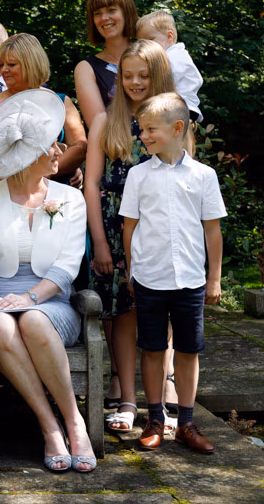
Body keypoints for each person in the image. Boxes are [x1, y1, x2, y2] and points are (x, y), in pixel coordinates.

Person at [0, 88, 95, 473]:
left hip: (51, 303)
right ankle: (49, 425)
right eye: (51, 146)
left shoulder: (70, 198)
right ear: (27, 155)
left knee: (34, 320)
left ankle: (74, 421)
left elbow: (68, 265)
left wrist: (29, 298)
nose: (60, 152)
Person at [122, 93, 226, 455]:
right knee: (152, 349)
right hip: (150, 279)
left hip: (190, 281)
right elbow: (130, 228)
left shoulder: (203, 176)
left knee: (188, 350)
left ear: (177, 127)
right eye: (141, 129)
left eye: (151, 129)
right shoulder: (138, 175)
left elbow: (212, 230)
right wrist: (132, 273)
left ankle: (186, 423)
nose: (143, 136)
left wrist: (214, 278)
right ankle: (154, 419)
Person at [85, 40, 177, 433]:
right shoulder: (106, 122)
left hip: (158, 230)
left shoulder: (175, 123)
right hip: (113, 228)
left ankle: (162, 400)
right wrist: (100, 243)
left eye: (144, 75)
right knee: (121, 313)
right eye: (127, 76)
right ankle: (126, 399)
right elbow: (91, 184)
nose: (135, 82)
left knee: (159, 312)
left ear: (159, 76)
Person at [0, 33, 87, 184]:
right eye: (1, 65)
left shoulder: (61, 101)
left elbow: (80, 146)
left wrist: (47, 173)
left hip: (55, 186)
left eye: (11, 65)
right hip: (9, 187)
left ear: (31, 64)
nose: (4, 70)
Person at [75, 0, 139, 129]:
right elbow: (98, 127)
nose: (104, 18)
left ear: (126, 12)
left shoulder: (151, 55)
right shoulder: (86, 69)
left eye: (111, 10)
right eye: (97, 13)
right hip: (113, 142)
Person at [137, 10, 203, 123]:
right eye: (141, 42)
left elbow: (168, 77)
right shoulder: (172, 54)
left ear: (169, 36)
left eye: (151, 39)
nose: (146, 46)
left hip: (181, 106)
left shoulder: (174, 55)